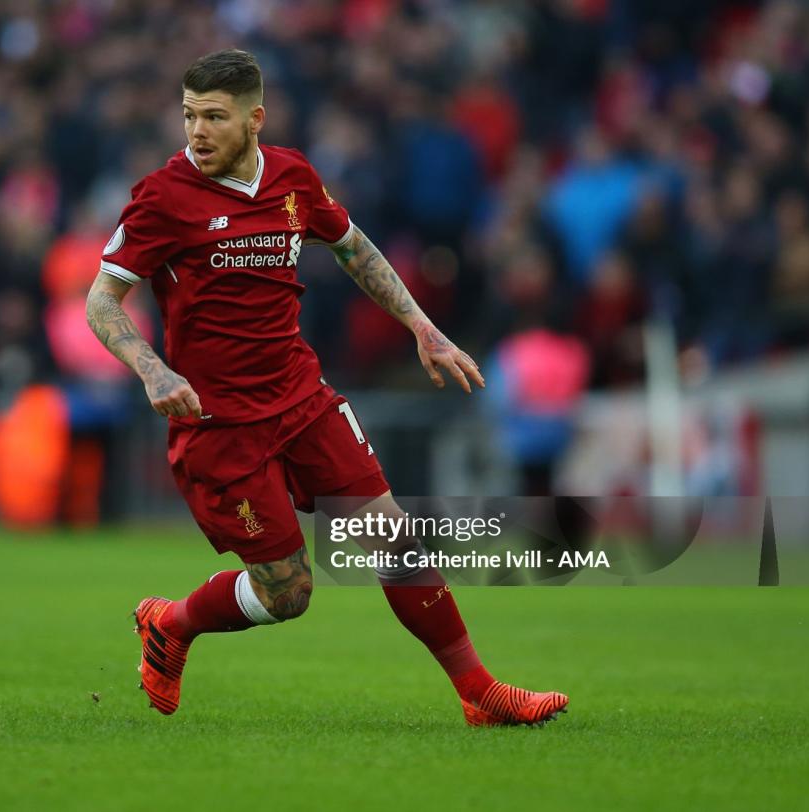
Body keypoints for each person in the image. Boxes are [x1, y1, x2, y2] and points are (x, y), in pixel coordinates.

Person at [84, 50, 567, 726]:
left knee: (394, 540)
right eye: (189, 115)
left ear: (255, 118)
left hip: (301, 399)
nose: (197, 132)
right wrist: (151, 367)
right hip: (219, 424)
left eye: (215, 117)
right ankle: (172, 623)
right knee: (290, 592)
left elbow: (353, 246)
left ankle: (479, 693)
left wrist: (421, 327)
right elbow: (102, 301)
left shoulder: (292, 177)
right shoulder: (163, 196)